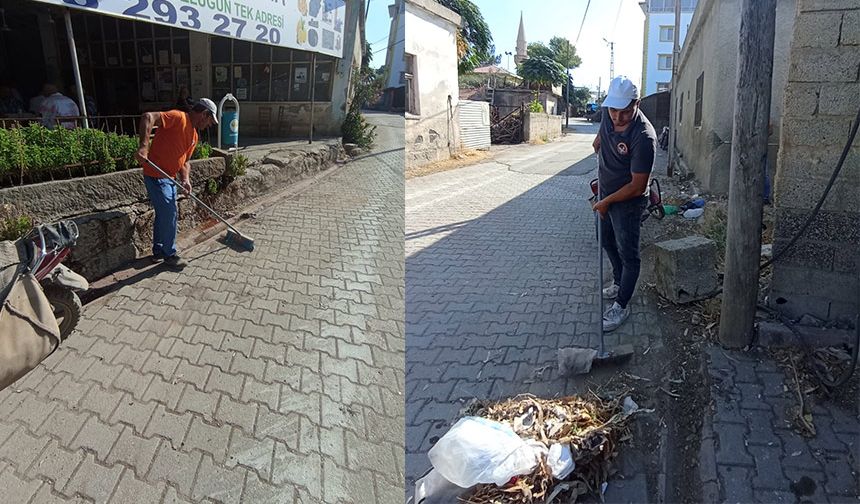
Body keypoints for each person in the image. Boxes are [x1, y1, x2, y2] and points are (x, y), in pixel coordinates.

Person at [591, 76, 657, 331]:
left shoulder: (644, 136)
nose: (618, 118)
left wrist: (605, 202)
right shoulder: (610, 114)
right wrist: (599, 142)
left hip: (628, 202)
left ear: (636, 104)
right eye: (613, 111)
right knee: (605, 240)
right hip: (605, 195)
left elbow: (637, 186)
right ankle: (619, 282)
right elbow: (601, 137)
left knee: (629, 254)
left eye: (625, 112)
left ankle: (622, 305)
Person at [135, 98, 218, 269]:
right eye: (210, 120)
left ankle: (159, 251)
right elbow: (148, 117)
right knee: (170, 213)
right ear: (204, 114)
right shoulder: (178, 118)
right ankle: (169, 254)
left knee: (164, 215)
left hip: (170, 178)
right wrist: (144, 146)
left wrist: (185, 180)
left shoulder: (194, 136)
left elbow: (185, 162)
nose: (209, 125)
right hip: (156, 175)